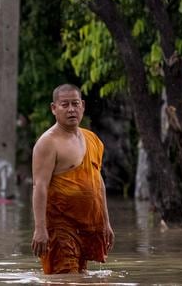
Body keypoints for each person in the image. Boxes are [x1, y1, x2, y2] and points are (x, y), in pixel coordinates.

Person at [31, 83, 114, 274]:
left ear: (83, 106)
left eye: (75, 104)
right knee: (65, 278)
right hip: (60, 227)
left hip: (86, 226)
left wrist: (105, 222)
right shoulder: (48, 143)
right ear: (54, 108)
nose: (71, 110)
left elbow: (97, 181)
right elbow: (39, 187)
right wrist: (40, 229)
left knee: (82, 276)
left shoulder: (92, 138)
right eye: (65, 105)